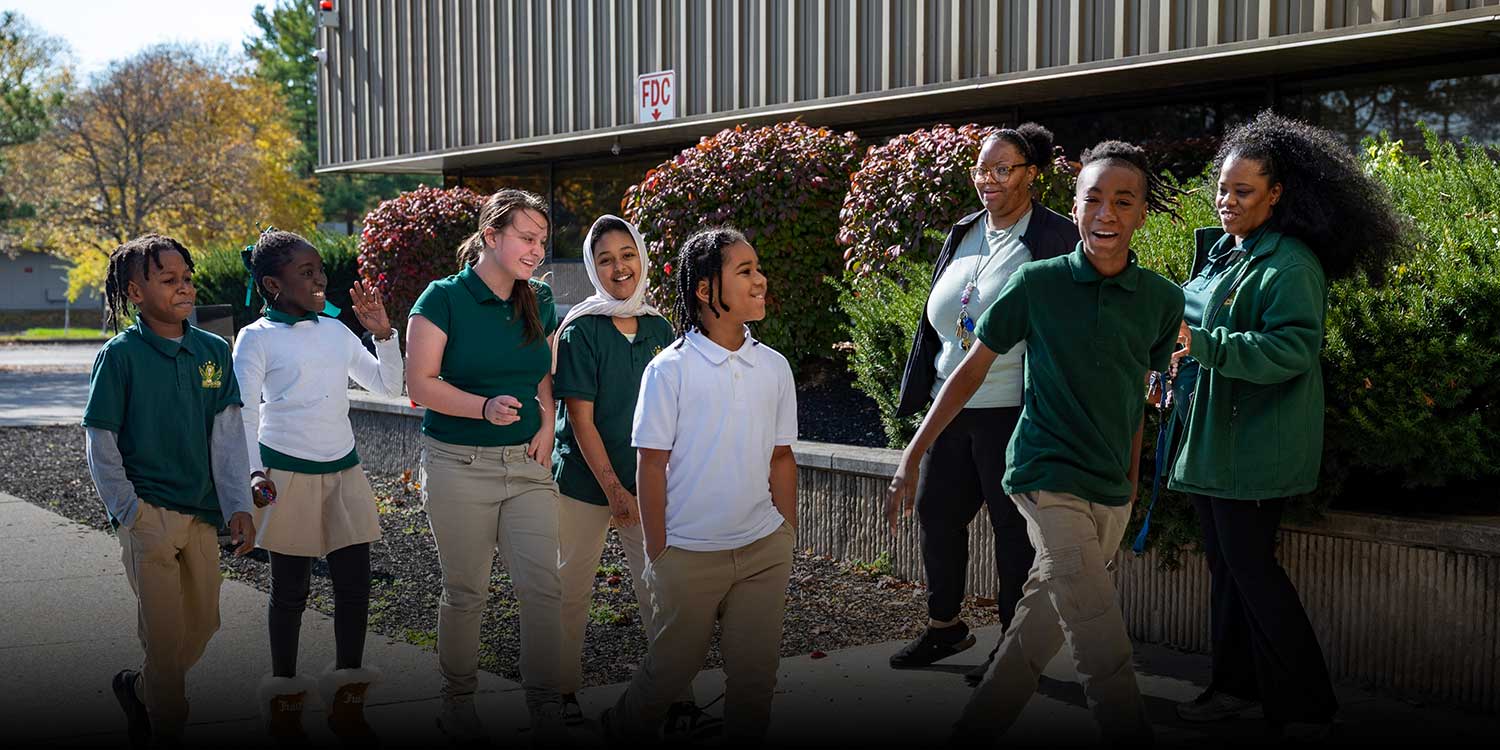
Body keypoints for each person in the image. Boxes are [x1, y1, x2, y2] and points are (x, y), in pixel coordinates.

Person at [888, 142, 1183, 745]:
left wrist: (1129, 482)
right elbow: (968, 371)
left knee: (1039, 622)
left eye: (1123, 201)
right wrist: (914, 454)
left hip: (1109, 487)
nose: (1106, 213)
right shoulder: (1036, 283)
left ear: (1143, 214)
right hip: (1044, 474)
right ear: (1073, 208)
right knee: (1101, 636)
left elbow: (1136, 396)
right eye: (1093, 199)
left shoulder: (1160, 299)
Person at [1166, 111, 1403, 737]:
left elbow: (1292, 351)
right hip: (1214, 439)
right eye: (1222, 187)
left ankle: (1305, 702)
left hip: (1256, 447)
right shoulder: (1224, 252)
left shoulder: (1291, 264)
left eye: (1242, 191)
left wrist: (1207, 345)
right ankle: (1235, 686)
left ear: (1277, 194)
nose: (1226, 200)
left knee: (1252, 571)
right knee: (1228, 570)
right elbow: (1192, 333)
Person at [889, 123, 1077, 681]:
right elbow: (944, 321)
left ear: (1031, 174)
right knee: (936, 513)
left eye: (1002, 170)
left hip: (1013, 409)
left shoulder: (1054, 237)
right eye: (981, 170)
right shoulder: (964, 230)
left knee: (1011, 530)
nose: (988, 181)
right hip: (951, 405)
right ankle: (945, 626)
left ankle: (1013, 647)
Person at [600, 227, 799, 747]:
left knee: (755, 682)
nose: (760, 281)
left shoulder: (774, 368)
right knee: (665, 680)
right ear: (706, 291)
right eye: (745, 271)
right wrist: (659, 554)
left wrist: (786, 533)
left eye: (757, 269)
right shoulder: (669, 371)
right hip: (688, 556)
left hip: (763, 550)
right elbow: (649, 467)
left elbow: (782, 458)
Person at [83, 234, 257, 749]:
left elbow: (227, 438)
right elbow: (101, 440)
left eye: (187, 277)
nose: (184, 287)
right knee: (162, 642)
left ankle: (138, 689)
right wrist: (129, 512)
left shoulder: (213, 350)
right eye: (168, 280)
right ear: (136, 293)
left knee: (201, 626)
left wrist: (238, 506)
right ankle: (166, 721)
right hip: (149, 518)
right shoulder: (120, 356)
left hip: (202, 514)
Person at [405, 189, 566, 745]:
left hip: (526, 466)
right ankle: (456, 704)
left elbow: (543, 373)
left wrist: (547, 420)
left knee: (544, 588)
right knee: (467, 590)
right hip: (458, 465)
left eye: (542, 240)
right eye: (526, 237)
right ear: (492, 236)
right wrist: (481, 408)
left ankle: (547, 707)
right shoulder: (442, 298)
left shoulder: (539, 298)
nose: (536, 250)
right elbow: (420, 383)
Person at [233, 229, 405, 744]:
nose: (319, 279)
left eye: (320, 270)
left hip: (343, 470)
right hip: (284, 473)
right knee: (290, 591)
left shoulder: (335, 330)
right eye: (305, 272)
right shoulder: (257, 338)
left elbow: (389, 385)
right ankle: (284, 700)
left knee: (355, 588)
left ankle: (347, 699)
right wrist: (254, 473)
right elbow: (243, 414)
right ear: (271, 283)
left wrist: (383, 334)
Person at [550, 215, 717, 735]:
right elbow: (581, 418)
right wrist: (614, 490)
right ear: (591, 268)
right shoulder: (580, 328)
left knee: (662, 593)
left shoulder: (660, 328)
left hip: (647, 486)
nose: (619, 267)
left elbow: (675, 416)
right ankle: (560, 695)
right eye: (605, 259)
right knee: (570, 591)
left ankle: (677, 699)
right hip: (585, 483)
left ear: (642, 257)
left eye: (627, 254)